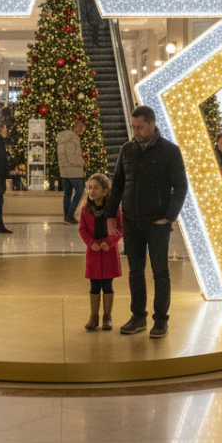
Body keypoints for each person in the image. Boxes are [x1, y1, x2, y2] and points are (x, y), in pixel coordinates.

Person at [107, 105, 188, 339]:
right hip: (132, 221)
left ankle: (161, 320)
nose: (136, 131)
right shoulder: (127, 149)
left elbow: (181, 186)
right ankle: (138, 316)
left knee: (160, 272)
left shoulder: (170, 151)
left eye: (140, 127)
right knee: (135, 271)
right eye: (133, 127)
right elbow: (118, 183)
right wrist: (112, 215)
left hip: (158, 223)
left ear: (152, 124)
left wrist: (169, 216)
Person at [79, 173, 122, 331]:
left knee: (108, 286)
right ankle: (94, 317)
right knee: (94, 286)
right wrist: (91, 243)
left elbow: (120, 228)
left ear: (105, 191)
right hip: (94, 254)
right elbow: (82, 229)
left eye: (96, 187)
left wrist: (110, 242)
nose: (92, 190)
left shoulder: (113, 208)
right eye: (90, 187)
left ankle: (107, 317)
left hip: (109, 253)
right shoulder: (85, 209)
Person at [57, 119, 87, 225]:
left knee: (68, 193)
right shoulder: (73, 138)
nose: (83, 131)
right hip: (73, 170)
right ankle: (69, 216)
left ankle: (67, 216)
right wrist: (82, 162)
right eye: (82, 128)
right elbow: (71, 156)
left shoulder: (62, 139)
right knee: (79, 192)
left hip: (64, 169)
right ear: (77, 128)